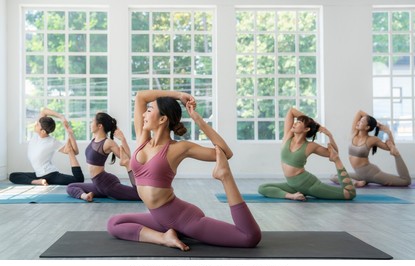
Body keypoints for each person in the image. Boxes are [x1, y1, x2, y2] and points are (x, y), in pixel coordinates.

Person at [107, 90, 261, 251]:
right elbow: (140, 97)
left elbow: (225, 152)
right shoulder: (142, 139)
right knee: (114, 223)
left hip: (182, 218)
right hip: (158, 217)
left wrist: (197, 119)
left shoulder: (179, 148)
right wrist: (179, 95)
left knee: (249, 237)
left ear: (162, 118)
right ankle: (164, 238)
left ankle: (225, 176)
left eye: (149, 110)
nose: (144, 114)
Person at [258, 107, 356, 201]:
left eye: (299, 122)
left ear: (306, 129)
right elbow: (292, 111)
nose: (295, 123)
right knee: (262, 188)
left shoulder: (310, 146)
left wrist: (330, 135)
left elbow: (334, 154)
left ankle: (295, 194)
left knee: (349, 194)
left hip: (309, 185)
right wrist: (317, 125)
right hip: (292, 185)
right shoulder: (287, 136)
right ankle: (291, 196)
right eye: (296, 121)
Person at [66, 112, 141, 202]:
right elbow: (99, 115)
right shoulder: (94, 138)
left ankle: (138, 187)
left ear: (100, 126)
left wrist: (122, 139)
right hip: (97, 184)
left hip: (106, 184)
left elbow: (126, 157)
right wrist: (70, 134)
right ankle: (85, 196)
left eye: (92, 121)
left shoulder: (108, 143)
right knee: (71, 186)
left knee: (139, 195)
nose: (90, 124)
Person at [9, 108, 84, 186]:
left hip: (50, 175)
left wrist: (70, 134)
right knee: (13, 176)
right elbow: (44, 111)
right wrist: (61, 116)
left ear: (43, 131)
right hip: (38, 175)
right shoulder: (36, 135)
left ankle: (39, 181)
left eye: (38, 125)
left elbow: (75, 152)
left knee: (78, 180)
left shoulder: (52, 142)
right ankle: (38, 181)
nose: (35, 124)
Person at [335, 110, 411, 187]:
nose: (358, 122)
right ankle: (355, 182)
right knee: (334, 177)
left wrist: (388, 132)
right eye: (359, 121)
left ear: (367, 127)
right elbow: (359, 112)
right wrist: (376, 123)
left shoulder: (372, 139)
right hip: (359, 175)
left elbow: (391, 148)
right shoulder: (354, 133)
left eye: (361, 122)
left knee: (405, 181)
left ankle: (398, 157)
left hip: (372, 174)